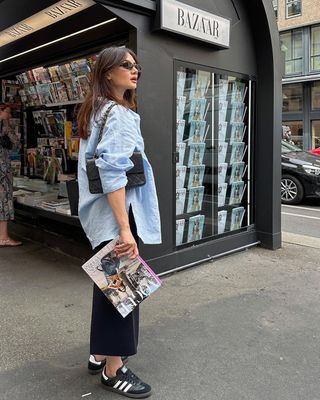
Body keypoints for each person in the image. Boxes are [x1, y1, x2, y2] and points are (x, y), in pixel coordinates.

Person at [77, 47, 161, 398]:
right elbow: (113, 170)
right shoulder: (120, 114)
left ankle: (100, 354)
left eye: (135, 65)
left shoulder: (94, 110)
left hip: (101, 213)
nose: (134, 70)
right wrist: (125, 229)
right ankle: (114, 369)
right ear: (108, 72)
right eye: (126, 65)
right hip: (118, 213)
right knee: (123, 292)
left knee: (110, 288)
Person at [0, 103, 22, 247]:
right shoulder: (4, 128)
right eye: (7, 112)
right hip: (2, 170)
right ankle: (3, 237)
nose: (9, 115)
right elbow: (15, 142)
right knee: (4, 200)